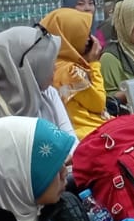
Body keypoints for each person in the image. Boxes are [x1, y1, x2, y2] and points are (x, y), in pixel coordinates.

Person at [0, 26, 70, 133]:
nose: (55, 67)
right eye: (48, 62)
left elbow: (69, 144)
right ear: (27, 67)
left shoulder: (47, 96)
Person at [41, 8, 108, 138]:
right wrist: (94, 64)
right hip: (90, 132)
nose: (89, 39)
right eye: (83, 34)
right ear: (69, 37)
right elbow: (99, 104)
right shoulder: (71, 71)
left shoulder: (50, 67)